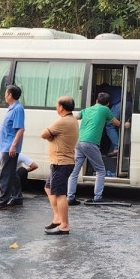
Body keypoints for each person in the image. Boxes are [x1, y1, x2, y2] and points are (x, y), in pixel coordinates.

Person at [67, 91, 114, 206]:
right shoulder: (105, 109)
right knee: (100, 170)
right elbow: (116, 123)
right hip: (90, 143)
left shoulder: (86, 110)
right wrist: (125, 124)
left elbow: (74, 117)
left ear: (96, 100)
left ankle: (70, 197)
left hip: (79, 141)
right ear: (108, 103)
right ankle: (98, 197)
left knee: (74, 171)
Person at [41, 96, 78, 234]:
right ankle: (57, 218)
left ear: (61, 107)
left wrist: (51, 137)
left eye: (57, 105)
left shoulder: (63, 121)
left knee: (59, 194)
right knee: (48, 188)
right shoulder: (72, 119)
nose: (56, 107)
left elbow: (44, 134)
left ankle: (64, 225)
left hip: (61, 163)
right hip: (61, 162)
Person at [0, 85, 26, 211]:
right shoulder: (12, 108)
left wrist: (13, 145)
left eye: (6, 93)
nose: (4, 95)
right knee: (11, 173)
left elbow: (20, 129)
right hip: (5, 145)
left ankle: (2, 201)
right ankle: (17, 198)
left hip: (9, 146)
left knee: (5, 174)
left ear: (10, 95)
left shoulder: (18, 109)